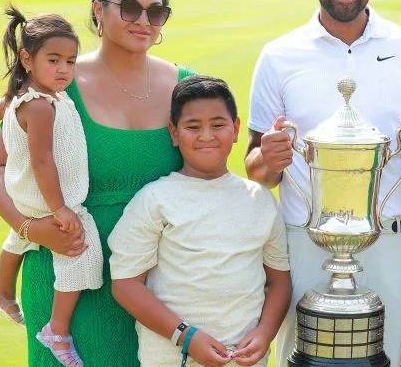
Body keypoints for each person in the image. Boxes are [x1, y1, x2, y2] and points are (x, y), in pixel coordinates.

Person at [0, 0, 197, 366]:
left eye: (156, 12)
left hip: (161, 286)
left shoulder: (187, 86)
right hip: (69, 275)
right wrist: (29, 228)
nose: (144, 21)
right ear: (98, 10)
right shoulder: (53, 83)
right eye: (130, 8)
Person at [245, 0, 401, 365]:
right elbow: (255, 166)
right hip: (303, 241)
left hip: (387, 240)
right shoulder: (279, 54)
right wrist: (270, 159)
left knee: (383, 359)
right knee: (301, 359)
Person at [109, 75, 291, 367]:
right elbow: (125, 284)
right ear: (174, 133)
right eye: (193, 127)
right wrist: (186, 336)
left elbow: (279, 281)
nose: (206, 135)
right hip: (172, 358)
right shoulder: (155, 199)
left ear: (235, 129)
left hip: (243, 359)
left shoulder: (260, 201)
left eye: (218, 125)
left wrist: (264, 333)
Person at [0, 6, 102, 367]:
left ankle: (3, 292)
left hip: (27, 198)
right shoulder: (40, 106)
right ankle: (57, 330)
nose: (64, 69)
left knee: (17, 240)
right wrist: (61, 208)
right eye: (53, 60)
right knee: (81, 253)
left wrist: (6, 102)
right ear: (27, 59)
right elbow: (43, 161)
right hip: (47, 201)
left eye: (70, 61)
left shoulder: (31, 95)